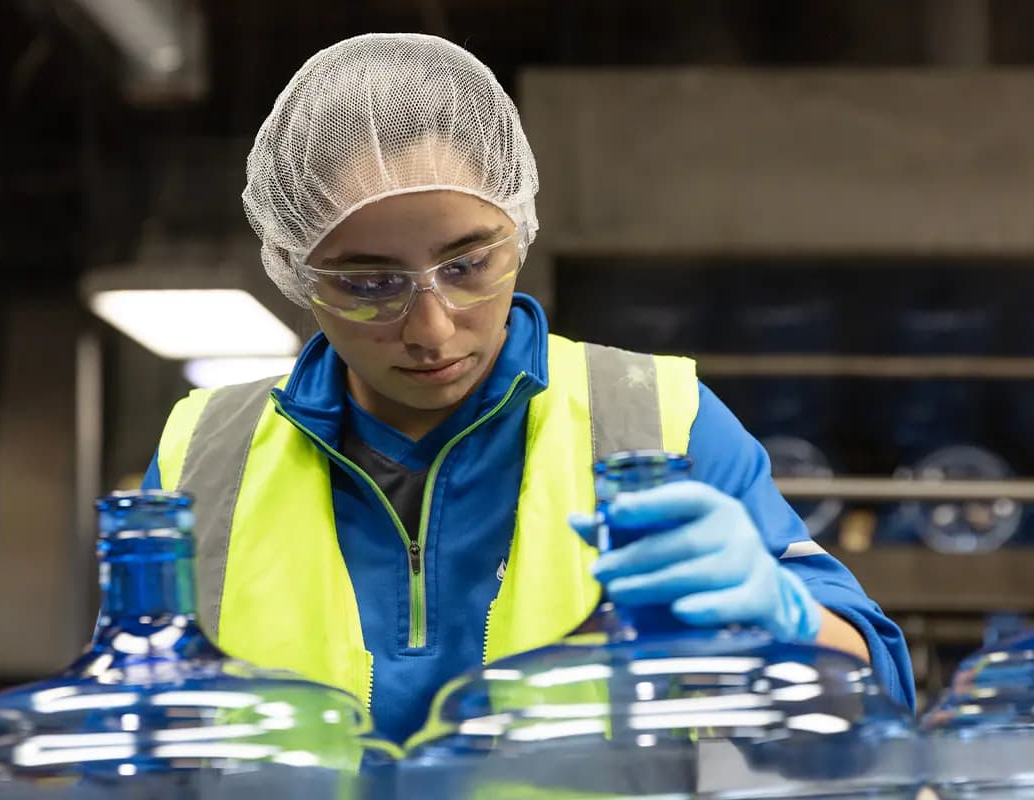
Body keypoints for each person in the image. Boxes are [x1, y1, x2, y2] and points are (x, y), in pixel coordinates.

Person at [139, 32, 914, 745]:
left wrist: (784, 616)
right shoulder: (206, 457)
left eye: (470, 266)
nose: (432, 330)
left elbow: (876, 706)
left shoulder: (654, 422)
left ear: (519, 228)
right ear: (296, 272)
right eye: (370, 282)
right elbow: (134, 734)